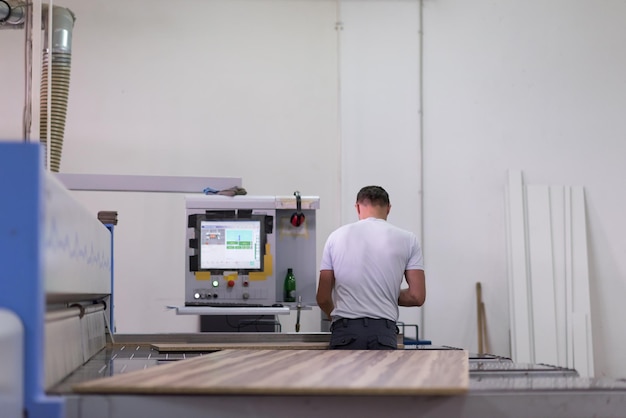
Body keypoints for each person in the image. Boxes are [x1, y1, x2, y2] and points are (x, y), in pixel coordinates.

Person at [316, 185, 425, 350]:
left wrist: (336, 317)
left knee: (343, 377)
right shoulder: (408, 240)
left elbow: (323, 297)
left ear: (357, 207)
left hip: (345, 331)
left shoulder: (336, 237)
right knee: (383, 376)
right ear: (388, 208)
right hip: (383, 333)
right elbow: (417, 296)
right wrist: (382, 293)